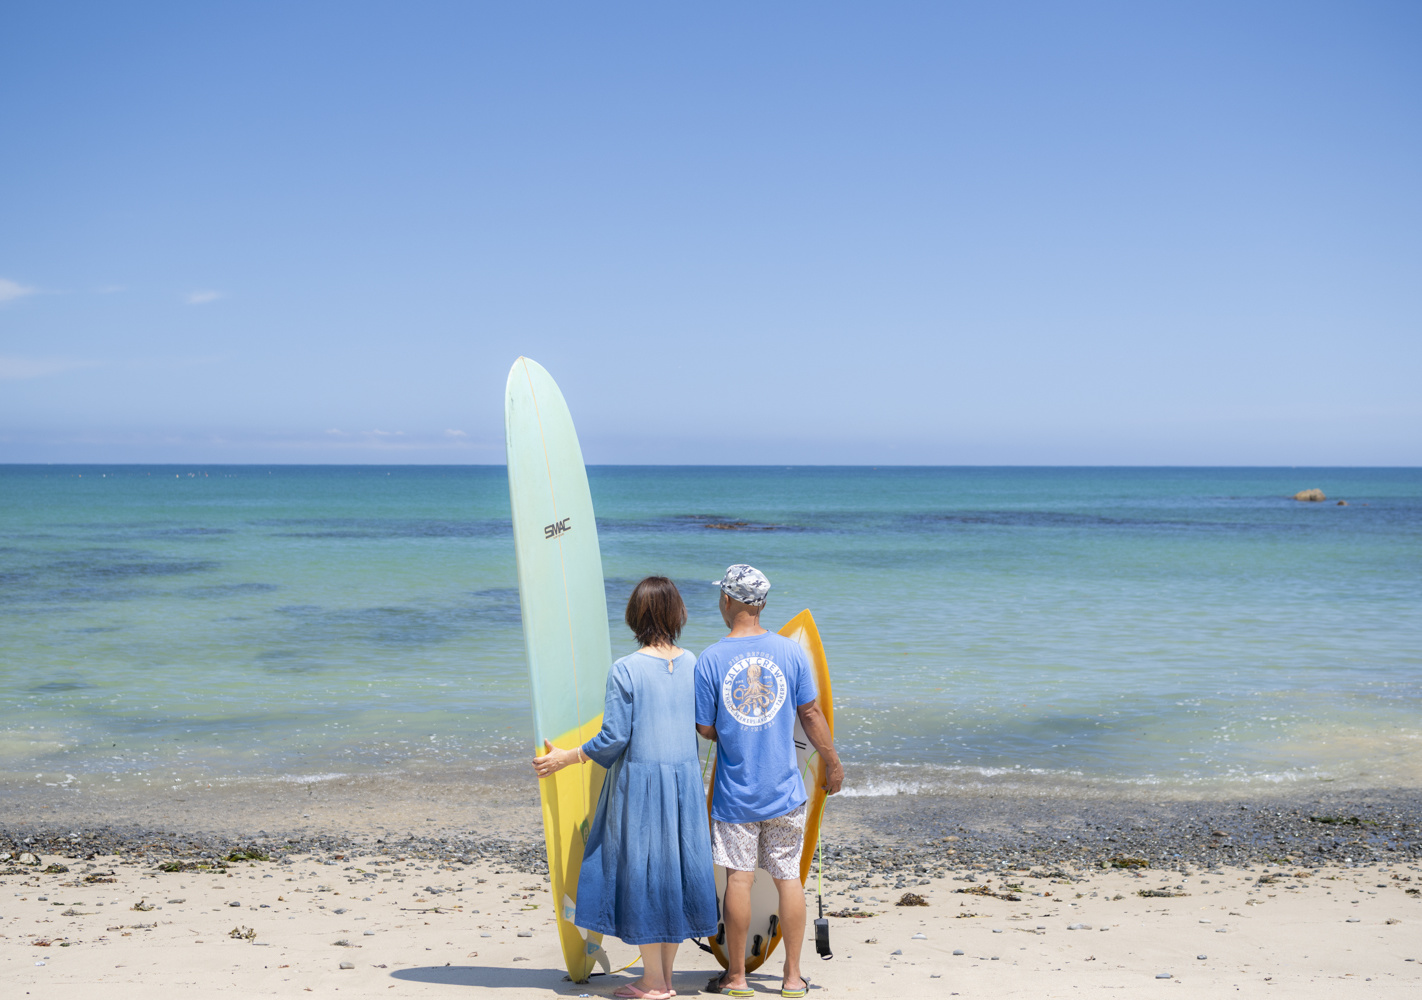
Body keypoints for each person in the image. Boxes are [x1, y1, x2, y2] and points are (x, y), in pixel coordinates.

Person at [533, 576, 717, 1000]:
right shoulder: (692, 662)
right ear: (677, 614)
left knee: (644, 876)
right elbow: (703, 724)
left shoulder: (626, 668)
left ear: (636, 616)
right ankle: (664, 978)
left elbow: (614, 738)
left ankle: (654, 983)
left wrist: (565, 757)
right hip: (684, 785)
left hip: (641, 785)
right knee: (673, 875)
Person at [695, 565, 843, 999]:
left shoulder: (710, 659)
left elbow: (705, 728)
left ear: (727, 600)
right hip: (784, 792)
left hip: (736, 794)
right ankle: (792, 979)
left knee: (739, 881)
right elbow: (810, 714)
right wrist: (833, 763)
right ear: (762, 603)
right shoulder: (791, 653)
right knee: (787, 879)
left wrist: (734, 730)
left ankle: (737, 978)